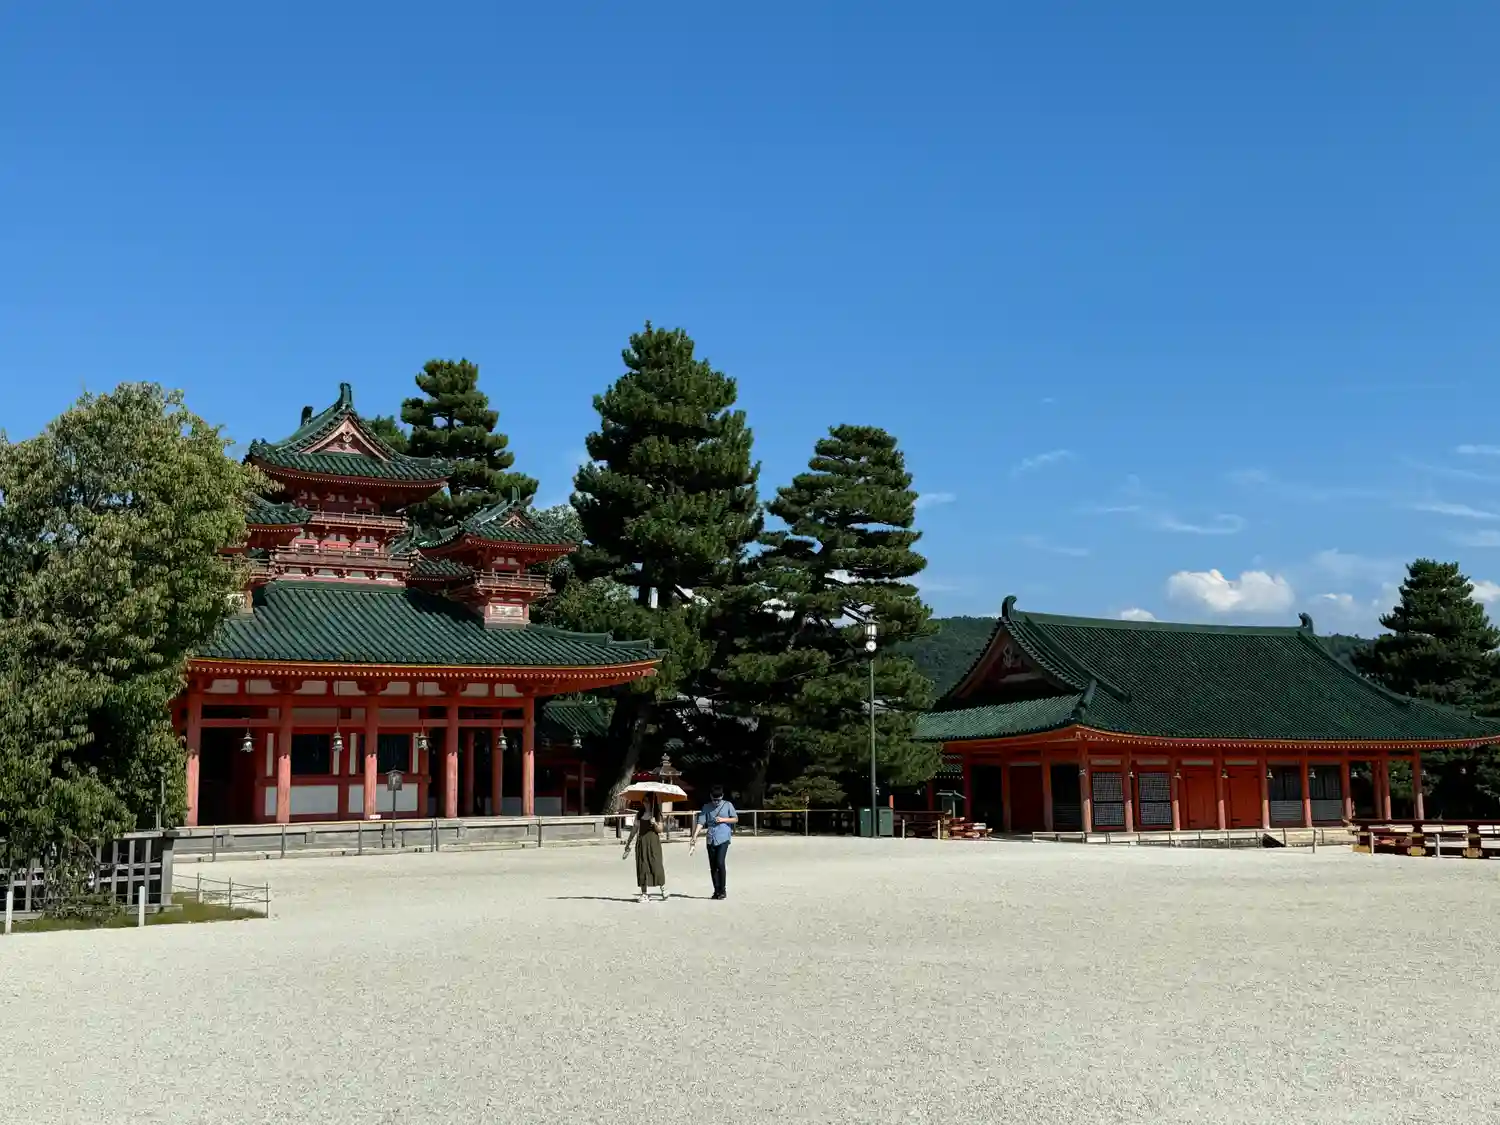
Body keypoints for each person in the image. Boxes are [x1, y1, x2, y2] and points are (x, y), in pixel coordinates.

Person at [690, 785, 737, 900]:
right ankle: (716, 890)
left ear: (722, 796)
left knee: (720, 862)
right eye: (714, 799)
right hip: (711, 838)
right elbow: (701, 822)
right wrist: (694, 836)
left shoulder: (728, 805)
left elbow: (735, 819)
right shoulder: (706, 807)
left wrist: (723, 820)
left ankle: (723, 890)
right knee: (713, 865)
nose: (716, 802)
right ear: (711, 796)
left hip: (723, 837)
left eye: (718, 800)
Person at [622, 796, 668, 903]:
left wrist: (654, 823)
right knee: (642, 867)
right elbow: (634, 829)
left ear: (652, 802)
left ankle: (663, 888)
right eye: (644, 801)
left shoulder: (657, 814)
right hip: (641, 843)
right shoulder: (639, 814)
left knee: (656, 865)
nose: (645, 803)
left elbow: (660, 829)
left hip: (653, 844)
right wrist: (628, 842)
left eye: (648, 801)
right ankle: (644, 894)